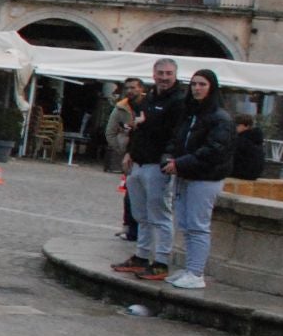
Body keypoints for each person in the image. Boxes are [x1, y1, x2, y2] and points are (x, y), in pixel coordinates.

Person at [113, 59, 186, 281]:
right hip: (139, 162)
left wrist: (147, 124)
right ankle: (142, 256)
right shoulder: (150, 97)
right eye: (160, 73)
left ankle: (161, 261)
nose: (164, 77)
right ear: (153, 75)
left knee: (160, 214)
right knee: (140, 214)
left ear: (175, 75)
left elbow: (173, 132)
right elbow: (139, 128)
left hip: (158, 164)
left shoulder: (179, 100)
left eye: (169, 73)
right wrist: (130, 152)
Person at [162, 68, 234, 291]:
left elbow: (213, 150)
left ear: (211, 87)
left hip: (205, 177)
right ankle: (190, 268)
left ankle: (196, 272)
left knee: (198, 225)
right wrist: (169, 158)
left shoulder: (220, 118)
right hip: (186, 174)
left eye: (202, 84)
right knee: (185, 223)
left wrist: (180, 163)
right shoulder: (191, 114)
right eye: (194, 84)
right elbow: (176, 140)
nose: (197, 88)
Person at [106, 77, 143, 243]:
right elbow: (110, 132)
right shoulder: (120, 108)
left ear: (141, 88)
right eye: (127, 88)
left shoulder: (148, 105)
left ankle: (143, 229)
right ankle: (129, 227)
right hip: (130, 156)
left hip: (147, 155)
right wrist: (122, 149)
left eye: (133, 87)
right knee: (130, 193)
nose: (130, 90)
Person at [232, 112, 266, 181]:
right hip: (254, 174)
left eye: (237, 125)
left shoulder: (242, 140)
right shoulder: (255, 138)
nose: (234, 127)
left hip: (242, 173)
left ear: (246, 126)